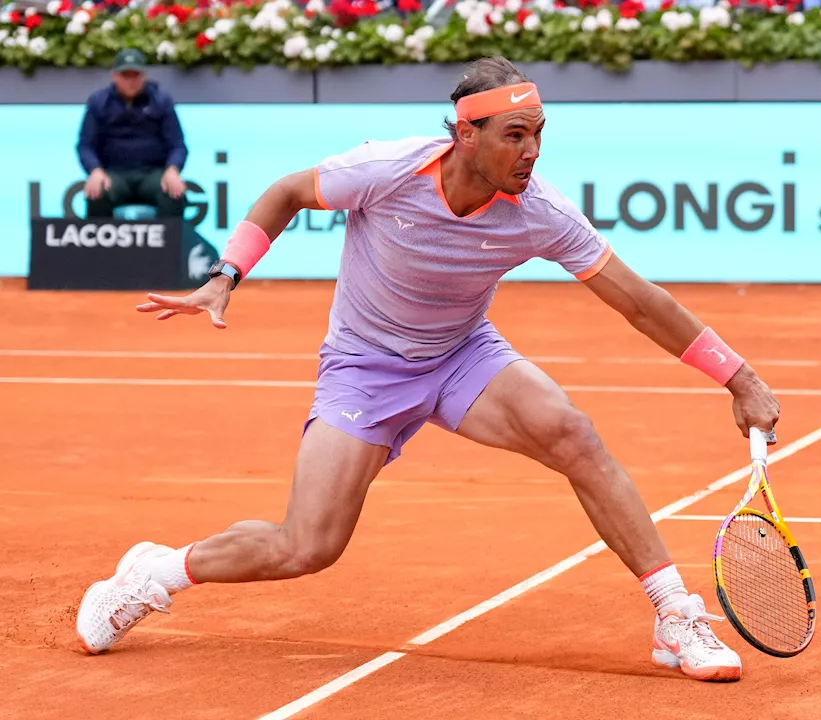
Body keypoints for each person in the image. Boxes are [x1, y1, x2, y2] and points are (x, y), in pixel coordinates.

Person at [74, 56, 781, 683]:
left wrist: (739, 377)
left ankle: (673, 615)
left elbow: (640, 302)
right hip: (364, 370)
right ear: (464, 134)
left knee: (573, 434)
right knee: (306, 546)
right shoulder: (386, 169)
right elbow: (287, 192)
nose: (531, 151)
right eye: (515, 135)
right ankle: (153, 575)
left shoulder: (540, 212)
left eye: (538, 134)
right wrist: (228, 273)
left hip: (462, 356)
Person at [76, 48, 189, 220]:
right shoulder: (99, 101)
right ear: (114, 75)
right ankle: (99, 248)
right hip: (114, 174)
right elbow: (85, 145)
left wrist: (173, 169)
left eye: (135, 75)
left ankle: (170, 247)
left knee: (174, 193)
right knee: (97, 192)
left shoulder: (161, 100)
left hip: (152, 174)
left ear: (144, 75)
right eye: (125, 75)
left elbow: (177, 144)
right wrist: (95, 170)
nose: (131, 81)